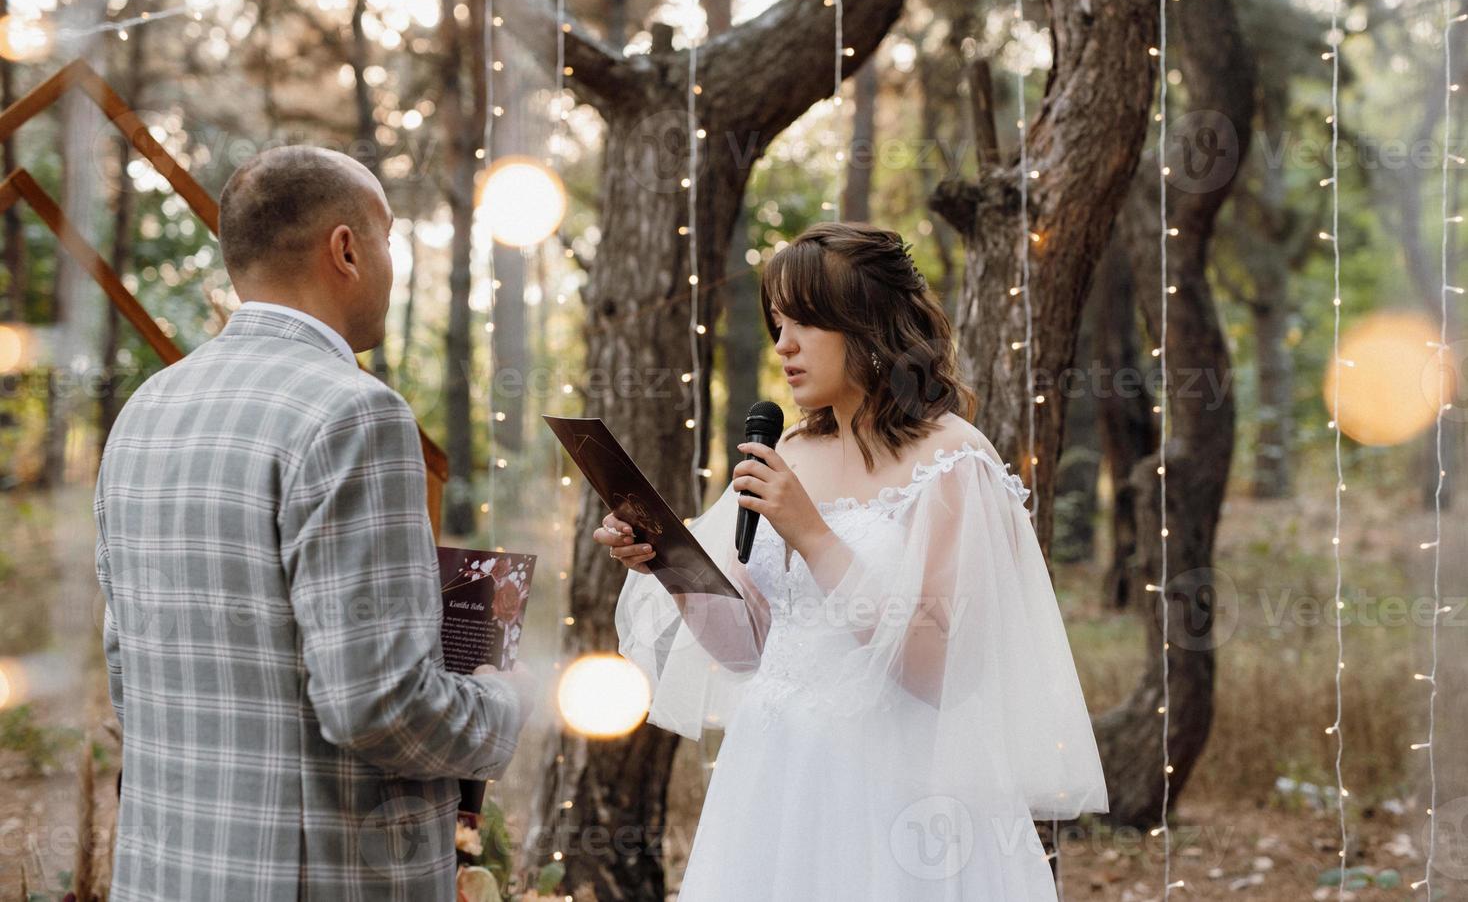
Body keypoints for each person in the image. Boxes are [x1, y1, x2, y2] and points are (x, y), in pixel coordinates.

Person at [598, 221, 1109, 899]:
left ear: (865, 324)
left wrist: (813, 535)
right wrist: (667, 563)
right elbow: (750, 648)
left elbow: (940, 670)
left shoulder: (952, 460)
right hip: (774, 780)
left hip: (901, 796)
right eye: (777, 324)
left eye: (804, 323)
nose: (783, 346)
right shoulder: (792, 454)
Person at [94, 145, 538, 901]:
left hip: (168, 870)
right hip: (316, 875)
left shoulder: (147, 408)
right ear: (346, 248)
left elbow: (126, 669)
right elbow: (379, 705)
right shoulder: (354, 412)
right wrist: (499, 704)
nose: (392, 263)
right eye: (389, 238)